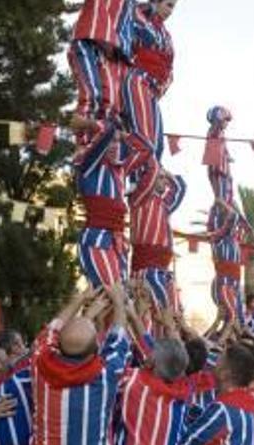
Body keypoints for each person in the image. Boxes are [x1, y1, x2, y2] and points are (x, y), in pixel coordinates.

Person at [24, 287, 132, 445]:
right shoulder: (105, 377)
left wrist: (78, 303)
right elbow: (119, 337)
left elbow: (47, 334)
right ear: (96, 348)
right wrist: (118, 303)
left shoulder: (39, 366)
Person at [121, 0, 176, 197]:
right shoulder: (140, 16)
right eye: (168, 4)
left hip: (153, 89)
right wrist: (148, 8)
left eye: (173, 7)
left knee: (157, 143)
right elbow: (130, 28)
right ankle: (132, 179)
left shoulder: (167, 36)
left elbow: (170, 68)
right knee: (142, 139)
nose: (170, 11)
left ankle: (149, 178)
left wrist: (161, 87)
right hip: (138, 80)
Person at [203, 106, 249, 332]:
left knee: (235, 313)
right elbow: (213, 172)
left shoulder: (232, 240)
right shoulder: (214, 137)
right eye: (224, 121)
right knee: (231, 315)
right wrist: (222, 203)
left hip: (227, 199)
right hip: (223, 199)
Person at [74, 124, 131, 289]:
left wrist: (125, 133)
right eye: (112, 141)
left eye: (118, 142)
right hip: (96, 238)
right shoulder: (87, 164)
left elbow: (145, 148)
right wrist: (109, 123)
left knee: (117, 301)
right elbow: (102, 140)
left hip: (117, 241)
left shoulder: (119, 171)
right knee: (112, 296)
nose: (115, 145)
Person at [68, 0, 134, 137]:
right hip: (90, 38)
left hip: (115, 52)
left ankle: (106, 139)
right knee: (92, 94)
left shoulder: (133, 7)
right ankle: (84, 143)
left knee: (112, 103)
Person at [129, 171, 185, 318]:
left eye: (166, 180)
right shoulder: (139, 197)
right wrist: (154, 169)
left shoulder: (165, 203)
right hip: (146, 262)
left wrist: (166, 173)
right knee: (150, 304)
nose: (166, 183)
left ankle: (166, 333)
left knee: (169, 303)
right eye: (161, 178)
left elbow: (180, 187)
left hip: (162, 264)